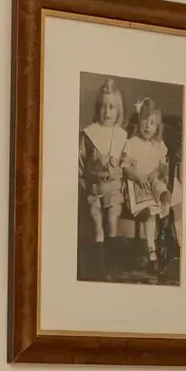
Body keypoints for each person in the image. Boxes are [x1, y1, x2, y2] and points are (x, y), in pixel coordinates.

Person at [121, 96, 174, 270]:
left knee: (159, 186)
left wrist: (156, 173)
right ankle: (152, 249)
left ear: (157, 126)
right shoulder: (132, 143)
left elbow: (163, 166)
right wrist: (138, 177)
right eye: (144, 121)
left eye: (152, 122)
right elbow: (125, 167)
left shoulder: (159, 145)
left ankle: (165, 201)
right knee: (150, 209)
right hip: (136, 184)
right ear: (138, 122)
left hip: (153, 182)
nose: (147, 125)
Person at [80, 78, 127, 255]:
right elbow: (80, 161)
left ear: (118, 111)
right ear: (97, 108)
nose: (106, 111)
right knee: (96, 218)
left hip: (114, 189)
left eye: (111, 107)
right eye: (102, 106)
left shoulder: (122, 136)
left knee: (113, 217)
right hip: (94, 188)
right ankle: (98, 256)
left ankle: (112, 259)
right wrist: (82, 180)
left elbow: (125, 163)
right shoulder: (89, 135)